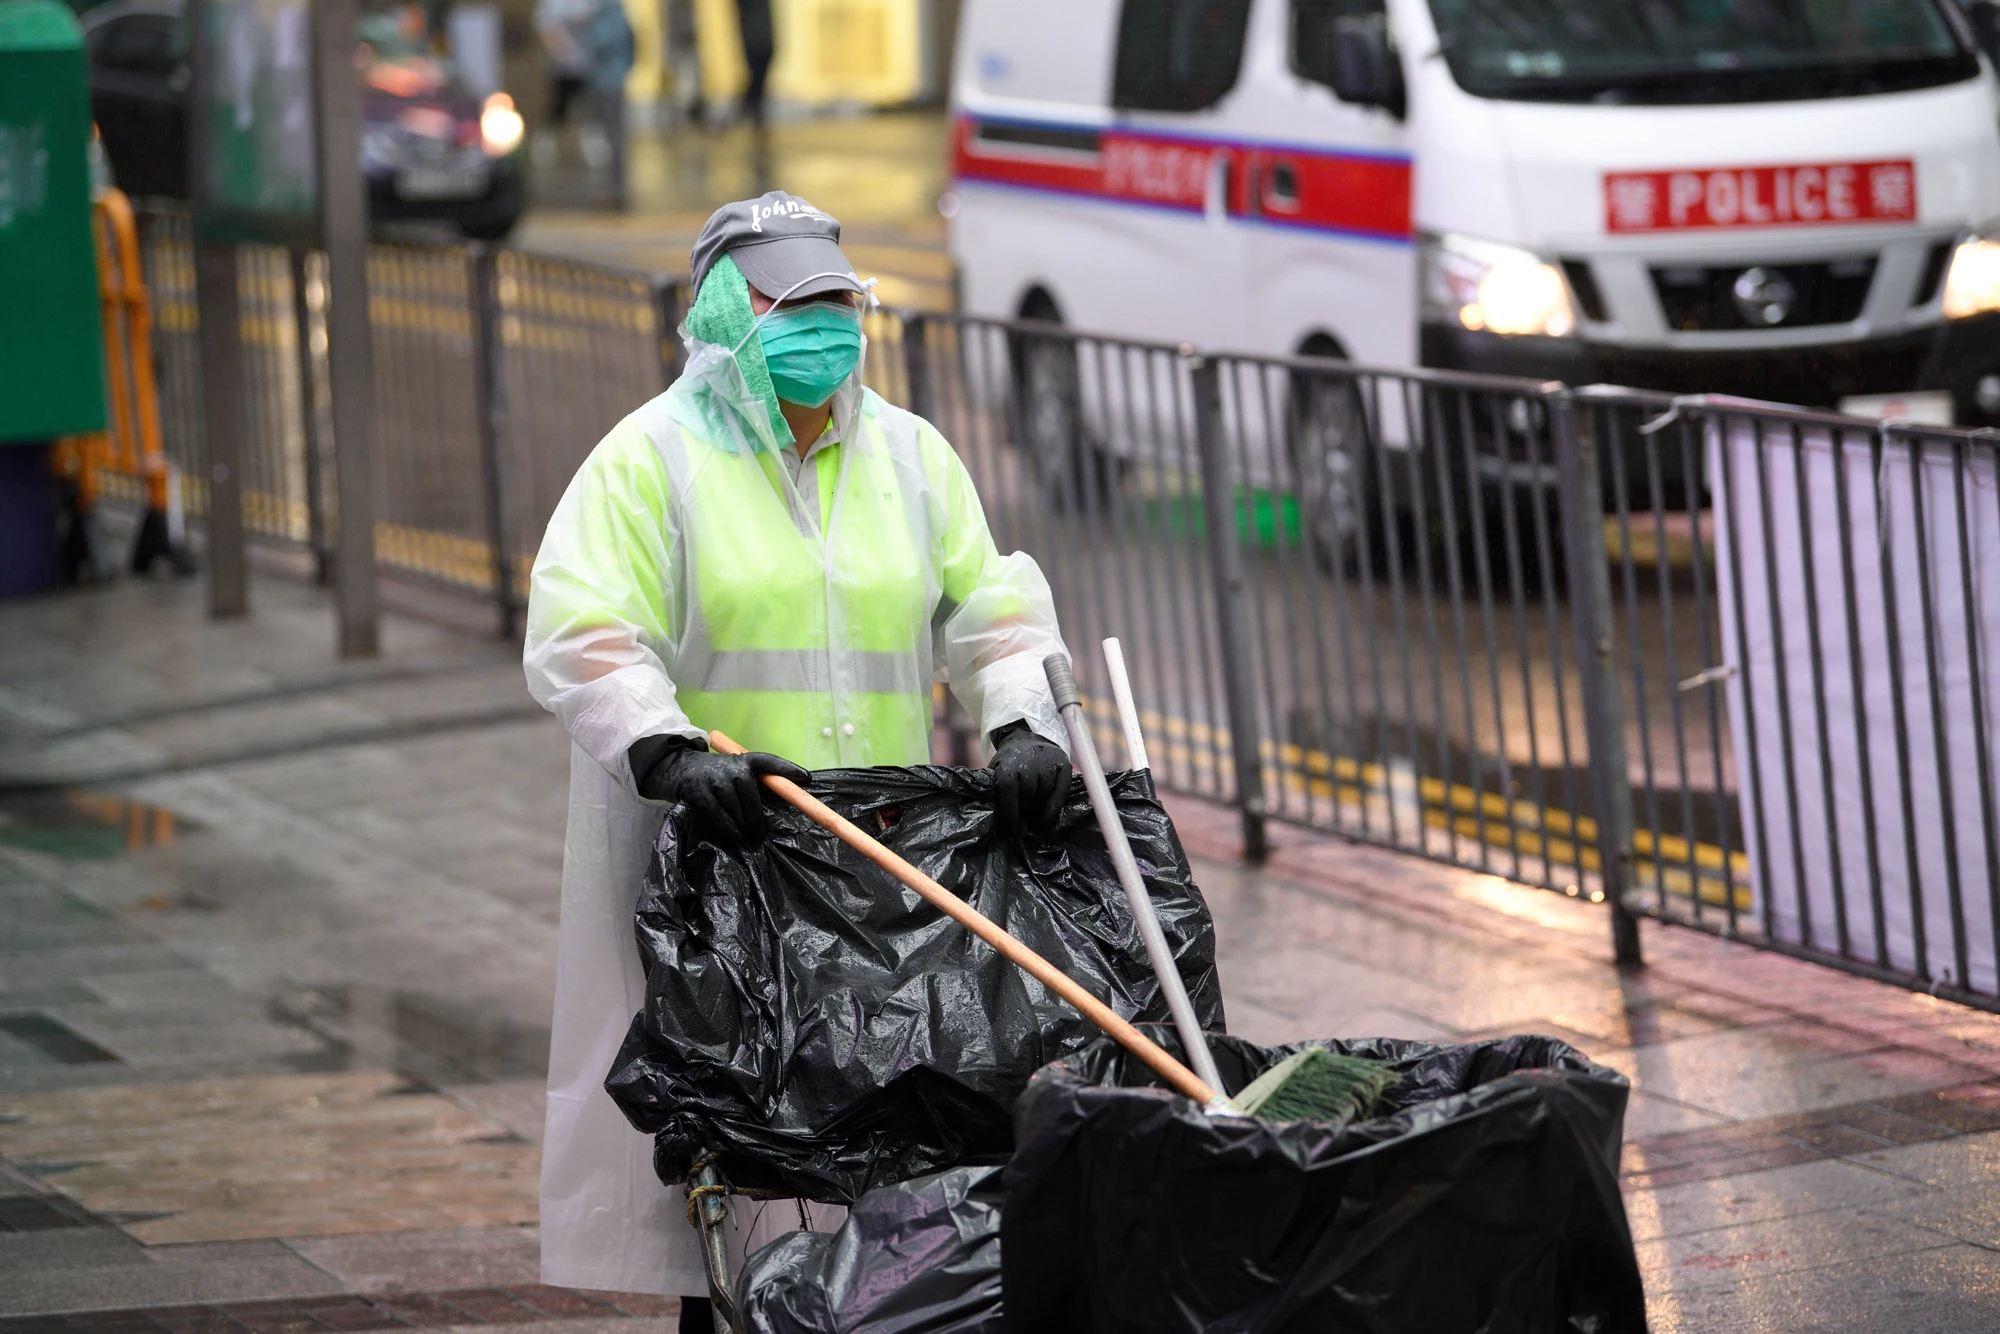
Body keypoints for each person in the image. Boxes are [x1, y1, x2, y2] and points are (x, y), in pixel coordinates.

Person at [523, 191, 1074, 1331]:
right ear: (724, 311)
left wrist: (1019, 718)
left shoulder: (909, 458)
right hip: (721, 883)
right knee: (735, 1203)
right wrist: (669, 751)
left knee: (871, 1211)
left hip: (873, 887)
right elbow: (585, 629)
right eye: (792, 303)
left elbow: (992, 610)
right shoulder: (650, 462)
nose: (823, 327)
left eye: (835, 300)